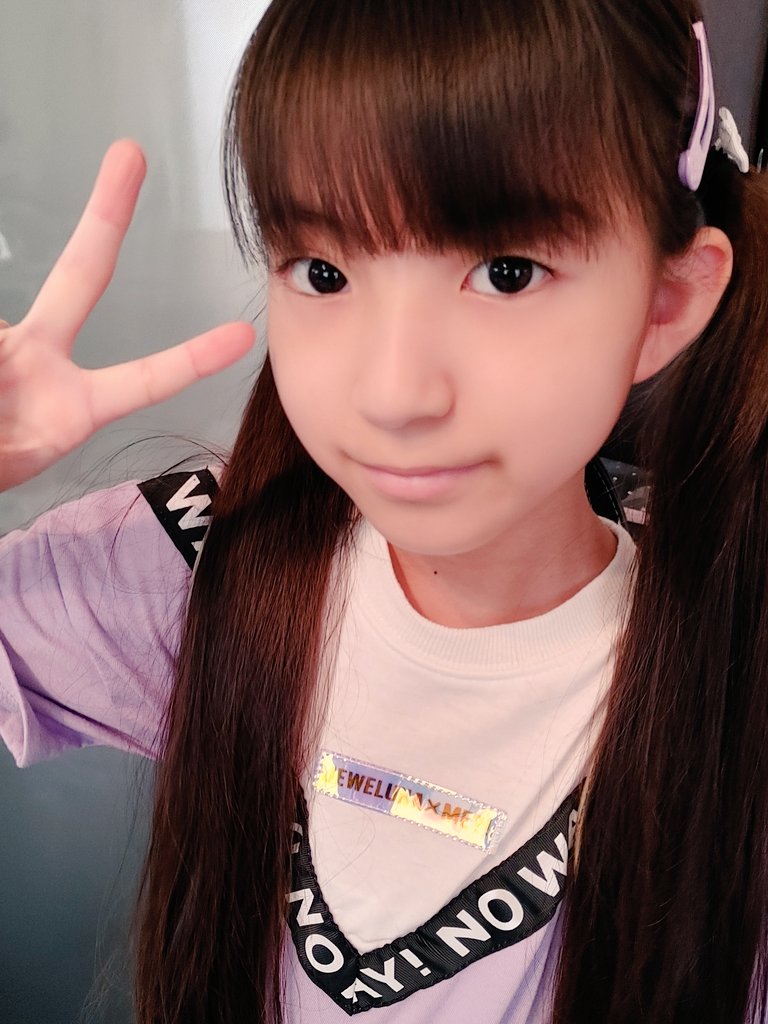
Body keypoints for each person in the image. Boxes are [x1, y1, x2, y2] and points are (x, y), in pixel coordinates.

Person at [1, 1, 766, 1021]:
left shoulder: (728, 681)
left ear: (665, 304)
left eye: (506, 273)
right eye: (324, 273)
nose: (394, 393)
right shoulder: (209, 561)